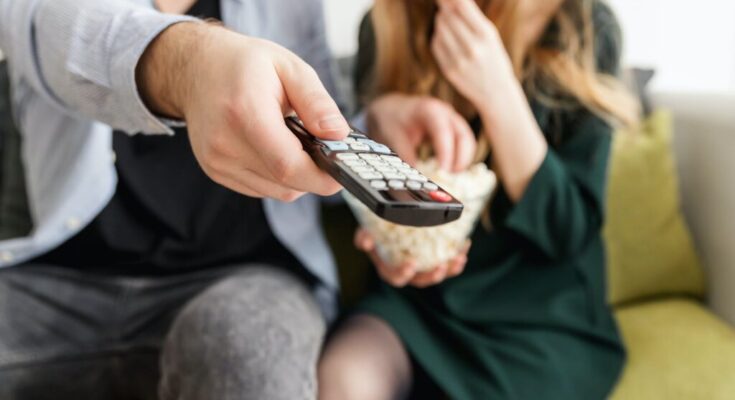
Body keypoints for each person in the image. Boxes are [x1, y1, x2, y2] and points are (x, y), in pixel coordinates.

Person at [0, 0, 351, 399]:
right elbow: (56, 28)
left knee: (246, 353)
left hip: (248, 278)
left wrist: (386, 122)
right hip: (62, 283)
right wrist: (193, 65)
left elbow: (331, 124)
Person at [319, 0, 639, 399]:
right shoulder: (384, 26)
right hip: (418, 307)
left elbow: (568, 232)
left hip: (541, 320)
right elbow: (380, 207)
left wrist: (498, 92)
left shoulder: (583, 25)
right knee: (342, 378)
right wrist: (391, 243)